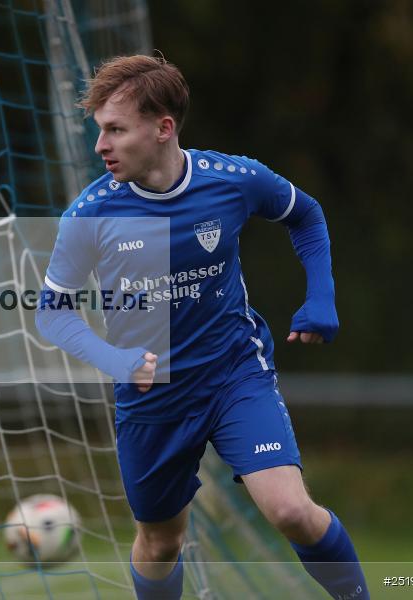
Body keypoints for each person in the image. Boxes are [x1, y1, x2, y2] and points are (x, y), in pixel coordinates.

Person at [35, 54, 369, 600]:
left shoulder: (232, 180)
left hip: (233, 374)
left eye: (116, 130)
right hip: (152, 396)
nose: (102, 146)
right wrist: (113, 359)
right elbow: (52, 311)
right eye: (101, 131)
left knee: (289, 509)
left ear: (163, 128)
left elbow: (305, 214)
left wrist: (321, 296)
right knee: (162, 541)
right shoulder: (89, 215)